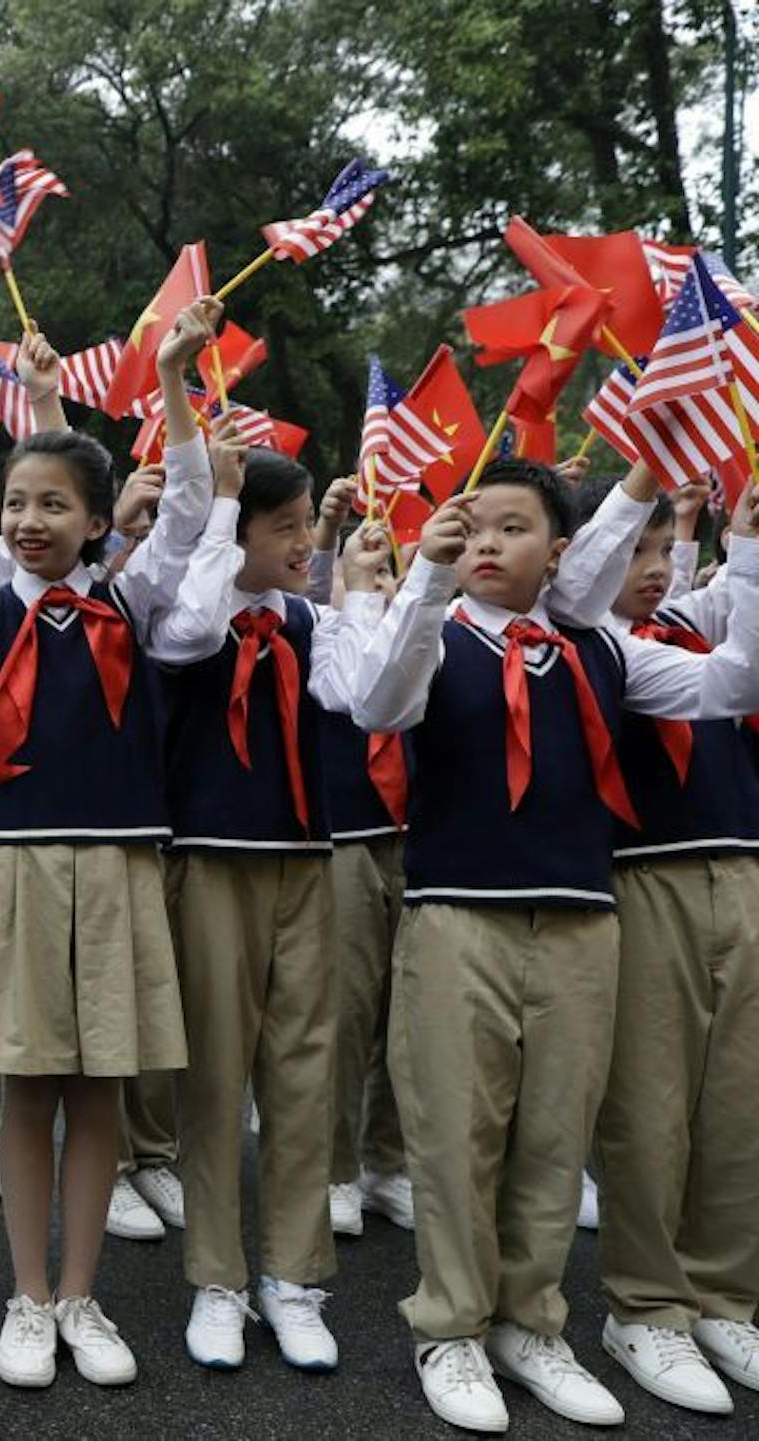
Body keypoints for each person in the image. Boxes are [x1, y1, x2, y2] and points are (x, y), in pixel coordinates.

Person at [347, 460, 759, 1434]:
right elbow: (376, 703)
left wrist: (743, 548)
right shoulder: (438, 636)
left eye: (513, 527)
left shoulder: (600, 649)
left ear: (563, 552)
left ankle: (532, 1323)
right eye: (472, 524)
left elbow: (735, 679)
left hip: (581, 922)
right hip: (459, 918)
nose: (487, 541)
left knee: (554, 1135)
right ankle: (450, 1325)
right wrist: (426, 579)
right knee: (457, 1133)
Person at [0, 300, 246, 1389]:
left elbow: (185, 509)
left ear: (98, 522)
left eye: (56, 504)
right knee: (32, 1089)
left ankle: (81, 1293)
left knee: (99, 1089)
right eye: (16, 503)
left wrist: (176, 382)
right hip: (21, 863)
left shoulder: (132, 601)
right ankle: (26, 1297)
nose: (32, 519)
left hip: (122, 860)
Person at [156, 296, 380, 1376]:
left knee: (303, 1070)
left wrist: (397, 577)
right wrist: (220, 509)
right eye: (286, 532)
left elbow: (377, 698)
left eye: (306, 532)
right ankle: (215, 1277)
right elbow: (196, 626)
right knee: (214, 1075)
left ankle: (293, 1277)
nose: (305, 547)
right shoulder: (192, 615)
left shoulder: (315, 619)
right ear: (242, 533)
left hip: (309, 863)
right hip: (213, 861)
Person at [566, 477, 759, 1416]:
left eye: (662, 554)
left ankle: (723, 1291)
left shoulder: (695, 627)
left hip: (743, 872)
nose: (651, 573)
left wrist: (746, 535)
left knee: (737, 1101)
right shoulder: (597, 648)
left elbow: (743, 662)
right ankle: (645, 1303)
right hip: (648, 880)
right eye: (633, 556)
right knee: (650, 1104)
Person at [303, 480, 413, 1240]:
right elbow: (314, 585)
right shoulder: (323, 624)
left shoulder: (420, 634)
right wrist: (334, 544)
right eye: (362, 564)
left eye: (389, 565)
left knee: (408, 1017)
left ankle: (388, 1163)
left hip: (418, 834)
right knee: (343, 1010)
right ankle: (333, 1167)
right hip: (344, 834)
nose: (377, 576)